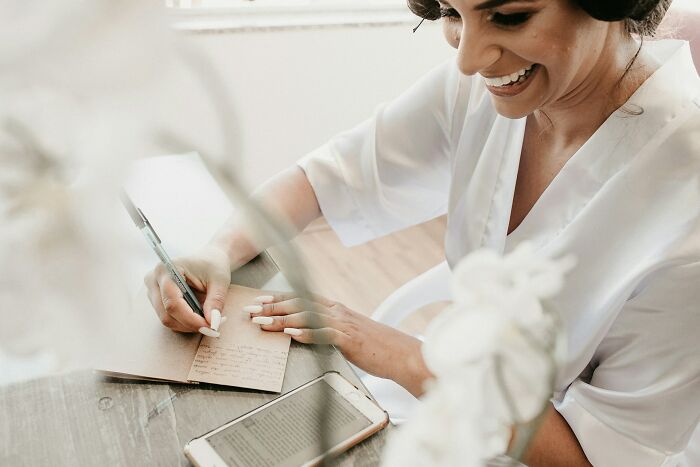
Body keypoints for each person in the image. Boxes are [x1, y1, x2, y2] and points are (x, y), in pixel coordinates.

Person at [145, 0, 700, 464]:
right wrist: (218, 250)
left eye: (508, 16)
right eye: (453, 13)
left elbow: (605, 453)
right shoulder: (493, 87)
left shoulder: (685, 198)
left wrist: (404, 357)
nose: (468, 59)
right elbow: (325, 177)